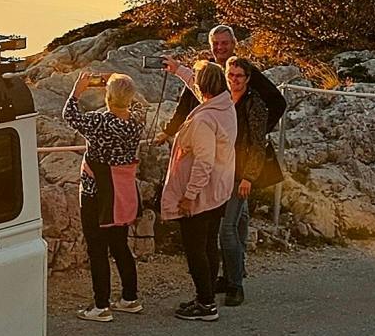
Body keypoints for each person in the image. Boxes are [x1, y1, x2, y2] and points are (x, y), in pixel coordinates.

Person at [62, 70, 144, 321]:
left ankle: (101, 305)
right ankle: (130, 298)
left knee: (97, 249)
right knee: (120, 246)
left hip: (96, 193)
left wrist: (78, 88)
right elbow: (140, 105)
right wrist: (119, 81)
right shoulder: (136, 122)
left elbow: (69, 114)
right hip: (123, 192)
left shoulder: (99, 122)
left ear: (107, 96)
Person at [159, 58, 236, 322]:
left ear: (205, 89)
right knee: (209, 245)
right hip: (220, 190)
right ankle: (208, 296)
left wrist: (189, 196)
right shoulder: (225, 105)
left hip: (202, 194)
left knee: (196, 250)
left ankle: (205, 305)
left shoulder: (204, 119)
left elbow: (204, 161)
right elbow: (200, 87)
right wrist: (179, 70)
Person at [219, 54, 286, 306]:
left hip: (241, 173)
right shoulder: (224, 100)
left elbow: (259, 144)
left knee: (226, 229)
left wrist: (248, 177)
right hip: (224, 169)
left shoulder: (254, 104)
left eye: (239, 76)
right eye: (230, 75)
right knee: (239, 222)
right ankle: (232, 273)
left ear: (248, 79)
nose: (234, 80)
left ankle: (235, 285)